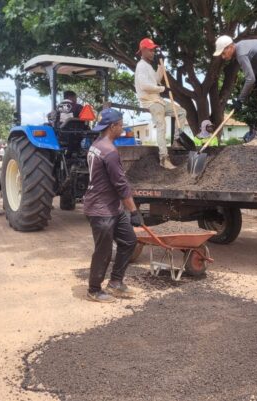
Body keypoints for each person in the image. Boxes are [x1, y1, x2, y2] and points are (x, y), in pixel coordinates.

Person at [83, 108, 142, 303]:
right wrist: (134, 211)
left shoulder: (97, 145)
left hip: (112, 207)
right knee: (104, 251)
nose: (122, 129)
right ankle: (94, 290)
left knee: (129, 241)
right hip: (101, 210)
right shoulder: (109, 152)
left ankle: (115, 282)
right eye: (121, 125)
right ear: (112, 126)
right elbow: (121, 185)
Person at [134, 37, 188, 169]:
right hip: (149, 101)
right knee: (161, 125)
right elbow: (145, 86)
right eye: (151, 50)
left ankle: (177, 141)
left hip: (158, 99)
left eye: (154, 50)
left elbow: (157, 80)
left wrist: (161, 65)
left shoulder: (148, 66)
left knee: (181, 112)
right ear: (143, 50)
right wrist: (163, 89)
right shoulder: (141, 66)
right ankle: (164, 158)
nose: (153, 52)